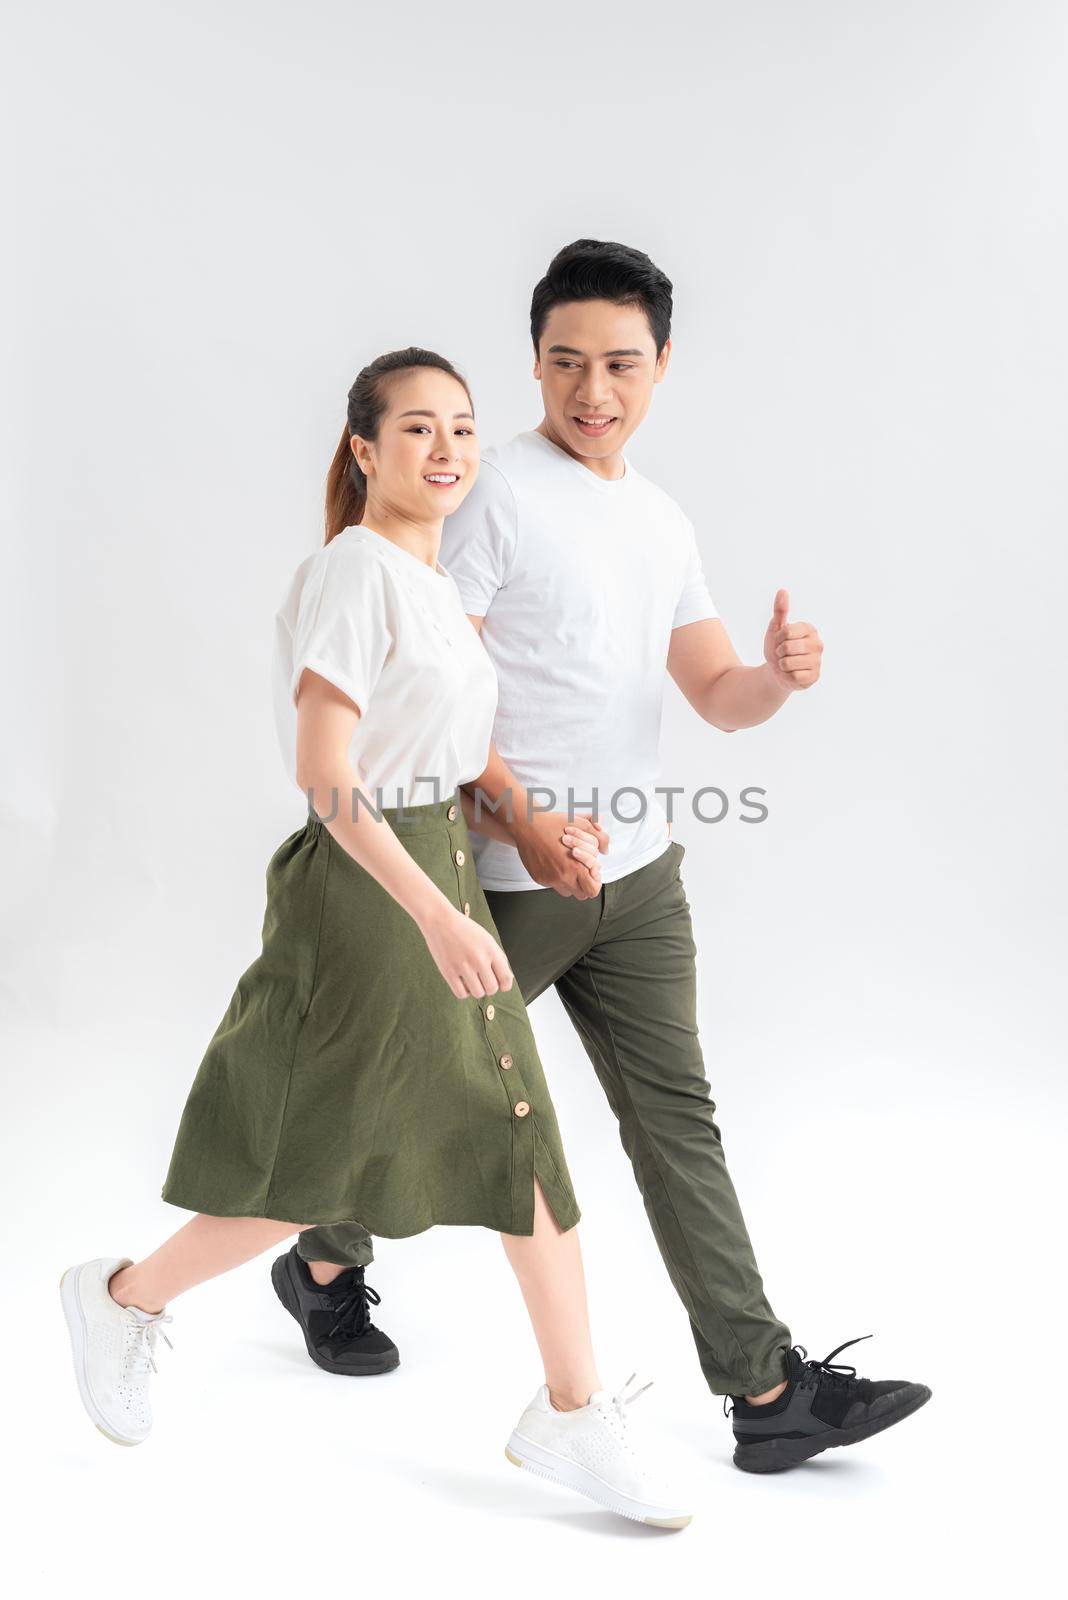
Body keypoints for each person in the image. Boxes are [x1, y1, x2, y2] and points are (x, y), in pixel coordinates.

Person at [293, 244, 933, 1476]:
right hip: (508, 880)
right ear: (534, 360)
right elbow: (435, 698)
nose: (594, 388)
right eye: (566, 361)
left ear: (662, 366)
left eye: (620, 363)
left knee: (676, 1120)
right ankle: (320, 1256)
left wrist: (777, 677)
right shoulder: (489, 493)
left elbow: (716, 696)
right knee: (411, 1100)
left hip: (636, 880)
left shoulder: (659, 516)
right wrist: (525, 821)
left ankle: (766, 1388)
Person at [59, 347, 694, 1529]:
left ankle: (569, 1406)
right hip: (370, 895)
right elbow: (325, 773)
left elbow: (441, 762)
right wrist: (438, 912)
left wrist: (532, 835)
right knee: (320, 1165)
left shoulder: (429, 583)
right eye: (417, 429)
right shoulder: (356, 570)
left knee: (522, 1143)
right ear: (364, 450)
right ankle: (125, 1297)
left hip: (433, 867)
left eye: (462, 427)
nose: (449, 449)